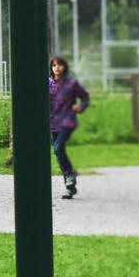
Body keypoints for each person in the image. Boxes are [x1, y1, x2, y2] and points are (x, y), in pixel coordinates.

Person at [48, 55, 89, 199]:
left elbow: (85, 96)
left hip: (67, 120)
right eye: (54, 65)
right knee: (59, 153)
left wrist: (81, 107)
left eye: (59, 64)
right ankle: (69, 187)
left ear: (64, 67)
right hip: (52, 122)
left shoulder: (72, 83)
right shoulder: (48, 84)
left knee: (58, 147)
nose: (57, 67)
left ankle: (70, 174)